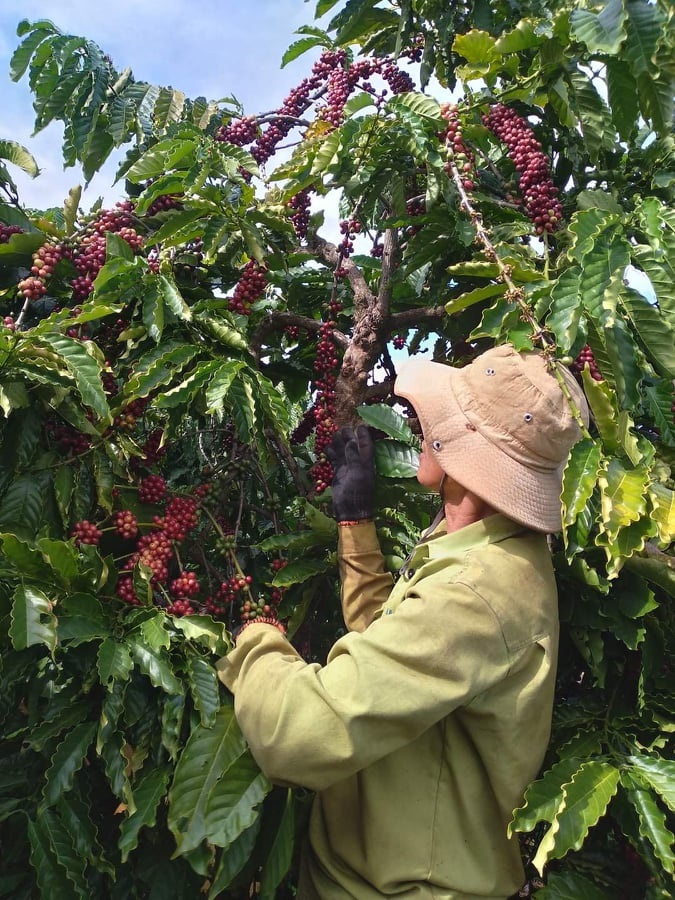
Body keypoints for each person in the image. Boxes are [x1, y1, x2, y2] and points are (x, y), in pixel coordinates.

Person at [216, 343, 589, 899]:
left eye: (440, 421)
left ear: (468, 454)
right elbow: (396, 651)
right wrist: (355, 524)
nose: (423, 428)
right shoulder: (484, 548)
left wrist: (254, 644)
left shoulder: (476, 593)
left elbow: (296, 734)